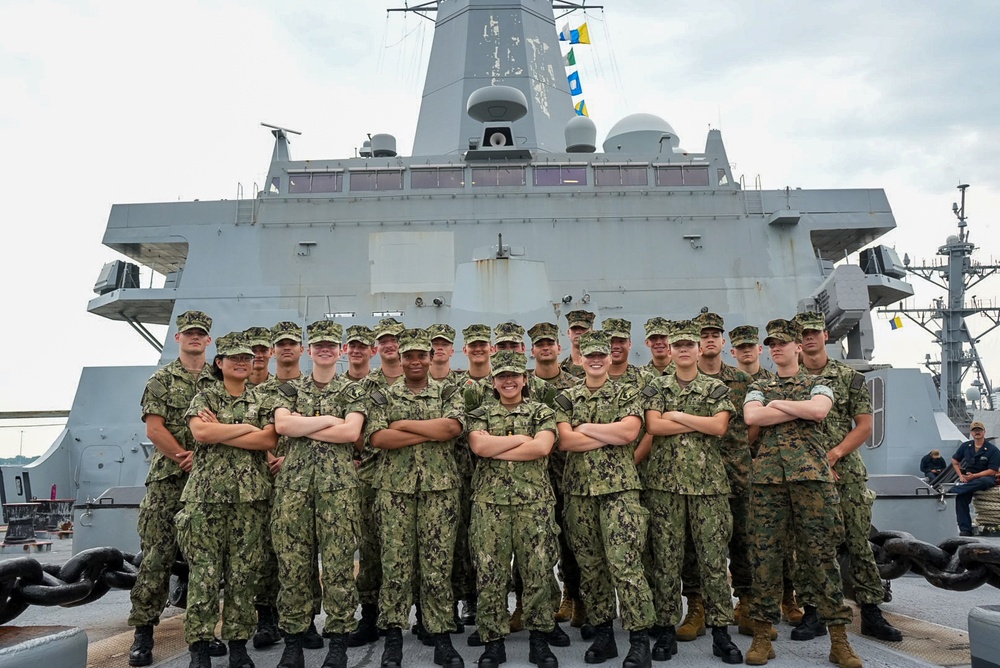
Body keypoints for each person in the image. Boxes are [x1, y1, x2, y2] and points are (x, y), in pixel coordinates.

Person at [743, 318, 861, 668]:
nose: (777, 347)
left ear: (798, 346)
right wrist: (792, 409)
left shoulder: (820, 382)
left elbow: (820, 410)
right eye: (772, 343)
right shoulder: (758, 384)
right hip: (768, 481)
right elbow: (752, 417)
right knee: (765, 559)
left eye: (784, 342)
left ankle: (839, 641)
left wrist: (776, 405)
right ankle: (763, 637)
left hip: (812, 480)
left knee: (821, 557)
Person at [792, 310, 901, 643]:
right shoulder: (787, 382)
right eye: (803, 334)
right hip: (807, 476)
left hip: (846, 474)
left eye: (815, 332)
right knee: (810, 547)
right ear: (798, 341)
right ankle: (813, 612)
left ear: (825, 335)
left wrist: (836, 455)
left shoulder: (848, 377)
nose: (810, 338)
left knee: (858, 543)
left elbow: (865, 426)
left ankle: (871, 612)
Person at [642, 320, 742, 664]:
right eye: (678, 345)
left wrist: (679, 415)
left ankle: (720, 633)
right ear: (669, 351)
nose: (684, 350)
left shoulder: (715, 388)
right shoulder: (656, 386)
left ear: (699, 350)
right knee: (666, 562)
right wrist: (698, 420)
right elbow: (654, 426)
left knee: (714, 561)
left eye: (690, 345)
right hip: (664, 486)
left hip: (708, 487)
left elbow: (719, 427)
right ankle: (666, 630)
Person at [271, 320, 368, 668]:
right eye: (318, 345)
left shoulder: (354, 390)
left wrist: (307, 425)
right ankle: (294, 642)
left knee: (340, 567)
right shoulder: (289, 389)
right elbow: (283, 426)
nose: (325, 349)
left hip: (338, 489)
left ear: (340, 352)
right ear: (309, 351)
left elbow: (351, 433)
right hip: (294, 489)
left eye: (331, 344)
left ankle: (338, 642)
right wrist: (331, 421)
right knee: (294, 567)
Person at [555, 330, 655, 668]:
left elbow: (628, 433)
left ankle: (639, 638)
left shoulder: (627, 391)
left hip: (619, 492)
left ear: (610, 357)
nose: (596, 360)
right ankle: (604, 634)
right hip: (579, 493)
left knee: (625, 565)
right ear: (581, 359)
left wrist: (583, 428)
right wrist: (604, 433)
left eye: (602, 355)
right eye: (590, 355)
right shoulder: (566, 396)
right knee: (591, 568)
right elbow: (565, 442)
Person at [367, 328, 466, 668]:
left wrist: (404, 424)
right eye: (408, 355)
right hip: (395, 490)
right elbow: (379, 438)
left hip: (440, 490)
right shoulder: (382, 394)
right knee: (395, 566)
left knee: (437, 567)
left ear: (431, 357)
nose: (414, 361)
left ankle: (440, 636)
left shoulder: (449, 390)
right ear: (400, 358)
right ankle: (393, 639)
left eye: (420, 355)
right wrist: (429, 429)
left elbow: (452, 429)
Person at [180, 332, 277, 668]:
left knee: (243, 575)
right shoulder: (205, 395)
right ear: (219, 363)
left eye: (247, 358)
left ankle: (238, 645)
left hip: (250, 501)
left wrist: (226, 427)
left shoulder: (264, 398)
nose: (241, 362)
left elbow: (267, 439)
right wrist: (246, 428)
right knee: (204, 574)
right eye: (233, 357)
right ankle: (200, 646)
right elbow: (202, 434)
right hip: (206, 499)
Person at [128, 310, 218, 667]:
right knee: (156, 558)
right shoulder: (161, 380)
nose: (195, 338)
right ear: (178, 338)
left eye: (201, 334)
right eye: (189, 334)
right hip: (169, 480)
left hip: (207, 482)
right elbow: (154, 428)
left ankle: (202, 633)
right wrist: (185, 456)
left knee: (205, 562)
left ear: (208, 340)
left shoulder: (219, 379)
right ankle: (143, 635)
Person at [466, 350, 561, 668]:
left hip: (534, 505)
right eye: (501, 376)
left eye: (514, 376)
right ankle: (493, 642)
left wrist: (501, 444)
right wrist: (522, 439)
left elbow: (542, 447)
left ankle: (539, 640)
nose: (508, 381)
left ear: (524, 379)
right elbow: (480, 448)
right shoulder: (480, 413)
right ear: (493, 381)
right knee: (491, 575)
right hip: (489, 505)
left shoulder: (542, 412)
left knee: (537, 574)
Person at [249, 321, 309, 650]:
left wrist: (291, 459)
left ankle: (306, 619)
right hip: (259, 478)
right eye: (280, 344)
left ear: (301, 349)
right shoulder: (255, 391)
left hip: (300, 480)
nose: (286, 348)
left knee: (301, 551)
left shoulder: (311, 387)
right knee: (263, 553)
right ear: (274, 351)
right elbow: (246, 428)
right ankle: (265, 618)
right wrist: (270, 453)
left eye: (292, 343)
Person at [529, 322, 583, 629]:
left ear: (558, 347)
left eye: (550, 342)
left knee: (574, 541)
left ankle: (575, 596)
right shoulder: (521, 385)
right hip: (534, 479)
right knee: (536, 545)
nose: (545, 347)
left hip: (569, 475)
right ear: (532, 350)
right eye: (540, 343)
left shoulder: (575, 385)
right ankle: (539, 603)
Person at [950, 421, 1000, 536]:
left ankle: (953, 491)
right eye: (974, 430)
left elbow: (992, 470)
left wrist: (974, 476)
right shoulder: (966, 447)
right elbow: (955, 460)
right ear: (972, 433)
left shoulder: (993, 450)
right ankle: (965, 529)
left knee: (982, 481)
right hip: (969, 479)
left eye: (979, 430)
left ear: (984, 432)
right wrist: (961, 476)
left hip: (986, 478)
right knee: (961, 498)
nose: (977, 432)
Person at [560, 309, 595, 378]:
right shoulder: (561, 369)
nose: (578, 332)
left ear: (592, 332)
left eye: (583, 328)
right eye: (574, 328)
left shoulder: (599, 366)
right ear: (568, 333)